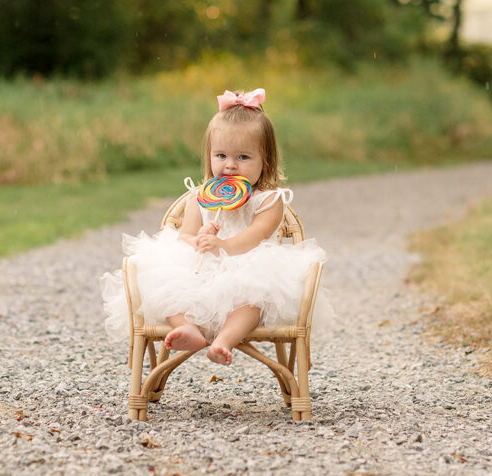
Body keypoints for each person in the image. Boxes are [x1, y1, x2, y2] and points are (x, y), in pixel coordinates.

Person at [100, 88, 330, 365]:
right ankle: (187, 327)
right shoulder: (200, 198)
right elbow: (184, 234)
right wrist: (198, 240)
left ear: (265, 160)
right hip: (201, 267)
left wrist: (223, 246)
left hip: (249, 266)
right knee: (167, 285)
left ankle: (224, 341)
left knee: (255, 299)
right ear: (209, 156)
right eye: (221, 156)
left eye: (243, 157)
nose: (230, 166)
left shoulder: (269, 200)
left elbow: (257, 236)